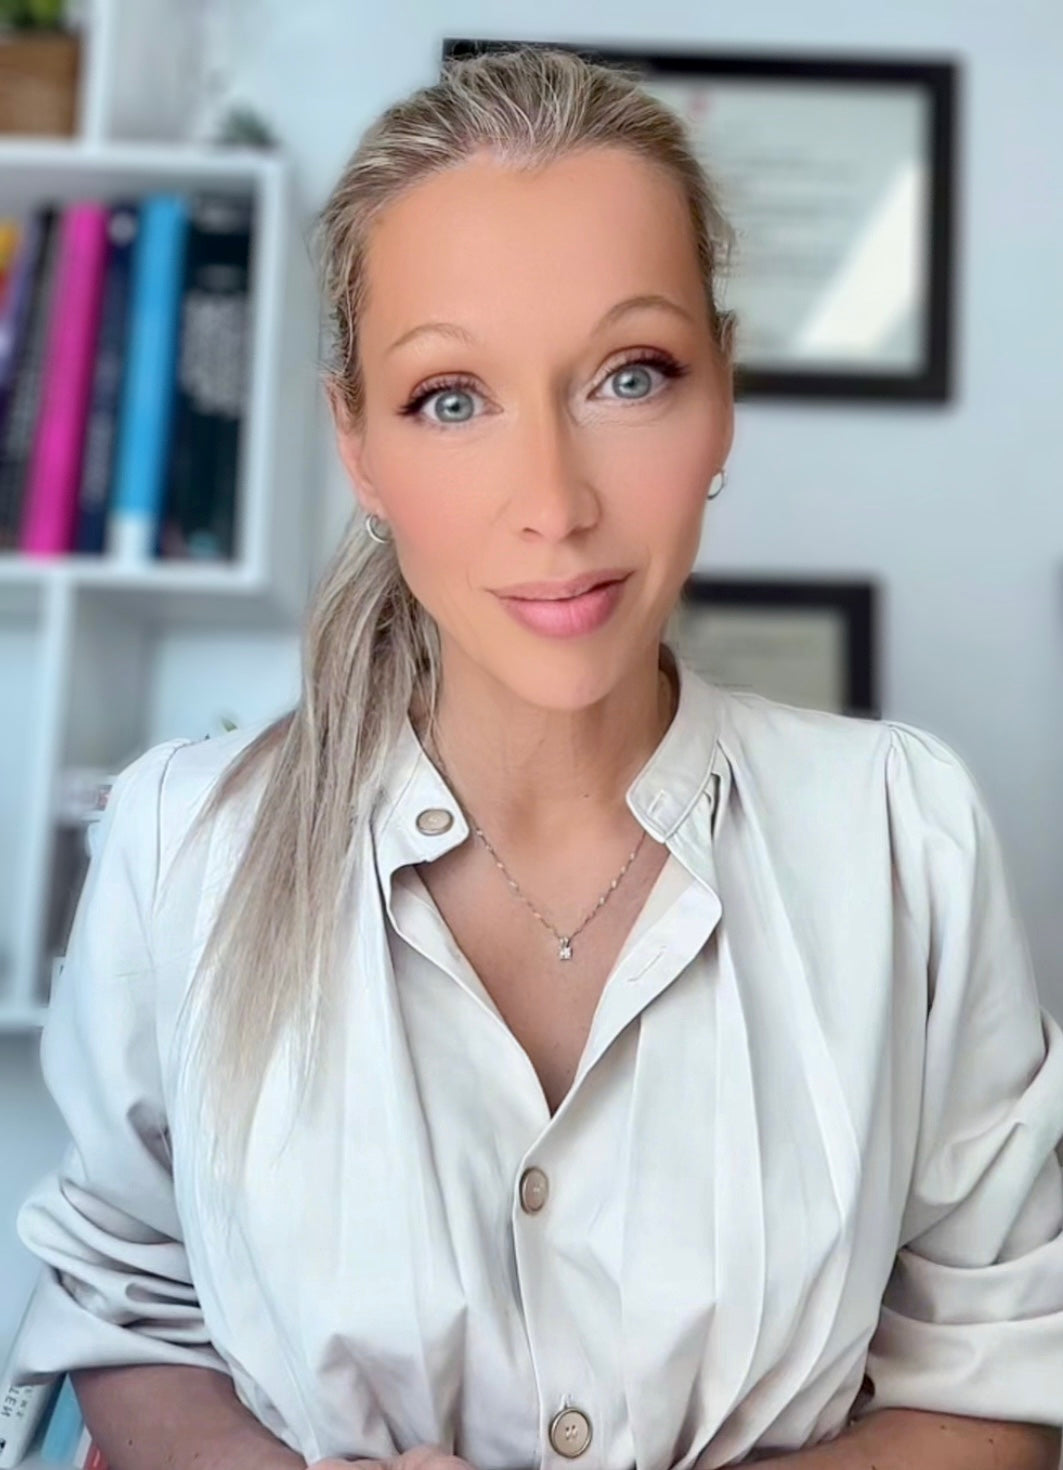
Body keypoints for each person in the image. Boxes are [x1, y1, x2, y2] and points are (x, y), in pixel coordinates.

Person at [9, 41, 1063, 1470]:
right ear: (360, 446)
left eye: (631, 375)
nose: (554, 503)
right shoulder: (177, 843)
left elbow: (1003, 1381)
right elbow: (120, 1309)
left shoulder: (903, 835)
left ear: (722, 401)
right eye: (452, 397)